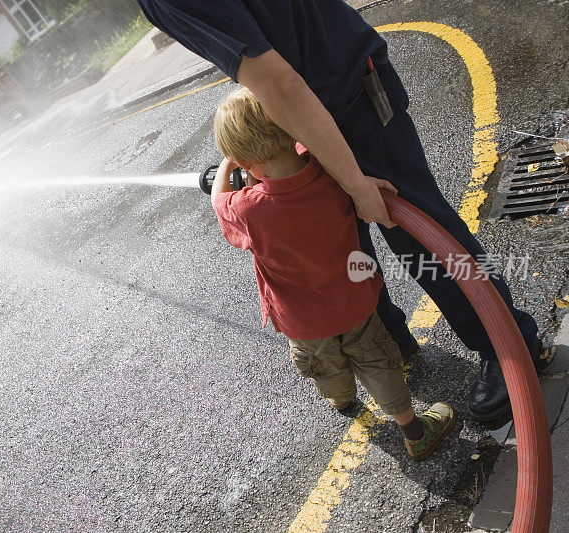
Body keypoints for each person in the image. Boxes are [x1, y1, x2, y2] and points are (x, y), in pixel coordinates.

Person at [137, 0, 545, 421]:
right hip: (319, 103)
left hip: (345, 96)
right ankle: (387, 339)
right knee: (343, 240)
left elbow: (279, 84)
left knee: (423, 234)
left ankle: (508, 346)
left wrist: (354, 182)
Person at [211, 87, 455, 459]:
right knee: (378, 363)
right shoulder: (331, 174)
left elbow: (218, 202)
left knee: (324, 367)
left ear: (246, 161)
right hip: (354, 304)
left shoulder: (247, 208)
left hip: (302, 323)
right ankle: (415, 431)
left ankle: (342, 400)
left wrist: (227, 166)